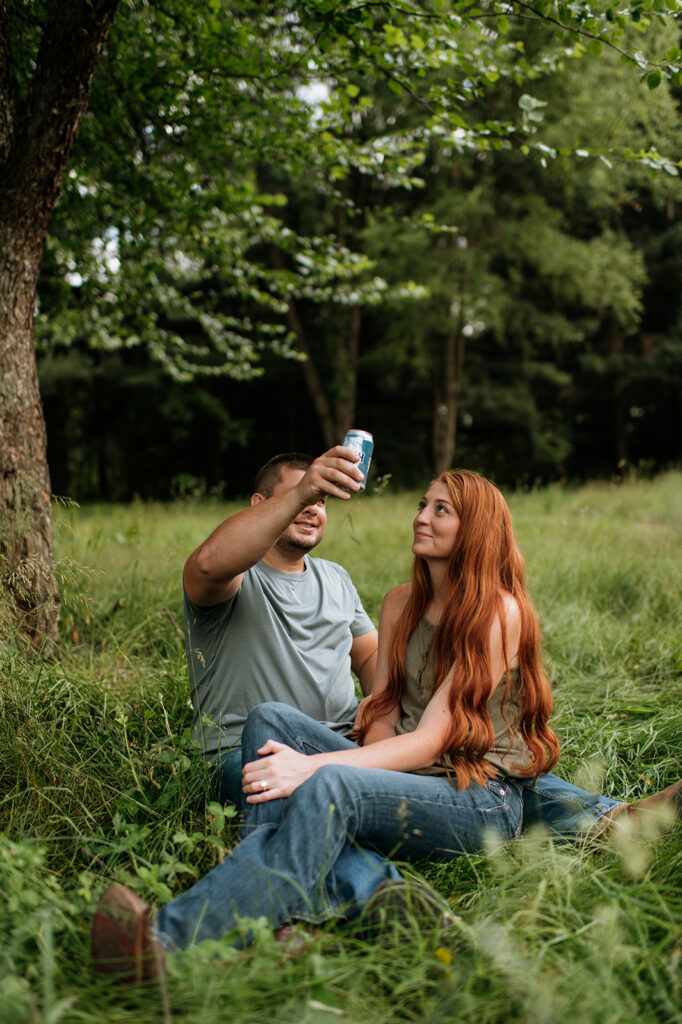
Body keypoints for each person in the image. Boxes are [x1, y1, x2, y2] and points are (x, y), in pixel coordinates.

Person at [90, 469, 682, 977]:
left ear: (473, 529)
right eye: (422, 504)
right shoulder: (399, 602)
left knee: (327, 784)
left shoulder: (497, 612)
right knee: (272, 721)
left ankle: (168, 943)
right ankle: (283, 914)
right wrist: (353, 770)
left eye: (440, 509)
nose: (421, 516)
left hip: (484, 793)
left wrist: (317, 766)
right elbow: (380, 717)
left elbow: (429, 738)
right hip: (423, 774)